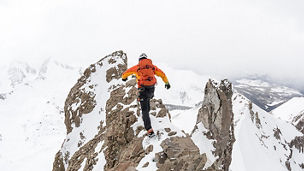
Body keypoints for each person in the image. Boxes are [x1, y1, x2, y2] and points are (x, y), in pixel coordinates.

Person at [121, 53, 170, 137]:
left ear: (139, 60)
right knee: (147, 102)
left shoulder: (137, 67)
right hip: (151, 90)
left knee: (144, 110)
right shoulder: (152, 67)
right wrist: (167, 83)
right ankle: (147, 113)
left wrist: (124, 78)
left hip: (142, 89)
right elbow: (162, 74)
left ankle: (149, 130)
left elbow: (125, 73)